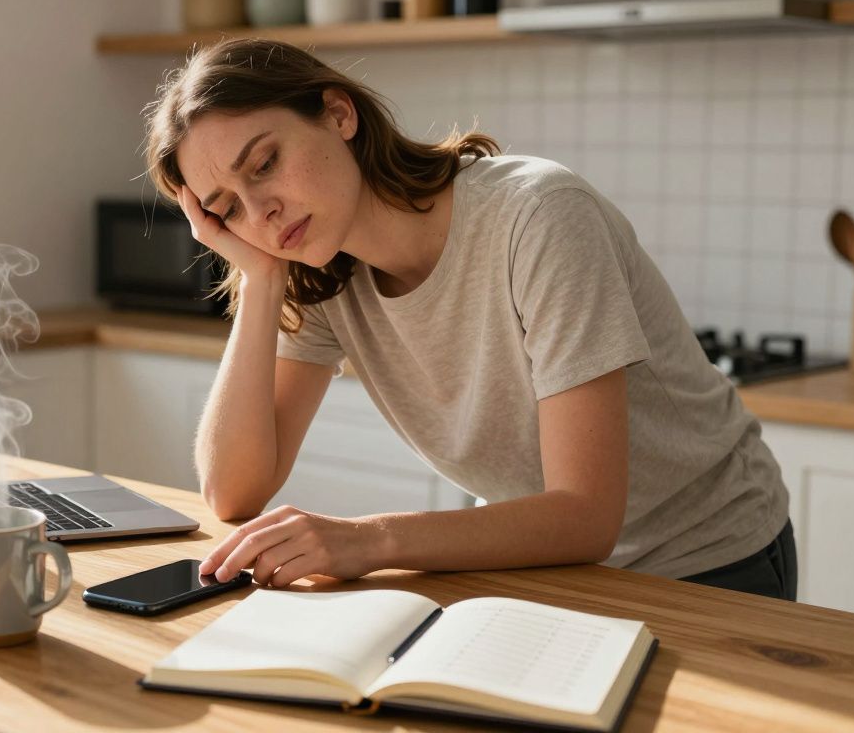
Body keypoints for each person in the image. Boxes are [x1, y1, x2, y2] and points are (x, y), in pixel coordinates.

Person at [141, 38, 796, 601]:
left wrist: (365, 540)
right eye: (228, 208)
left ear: (338, 113)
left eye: (265, 164)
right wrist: (260, 280)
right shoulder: (324, 272)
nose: (262, 214)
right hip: (547, 565)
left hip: (709, 560)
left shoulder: (537, 217)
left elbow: (587, 516)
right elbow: (232, 491)